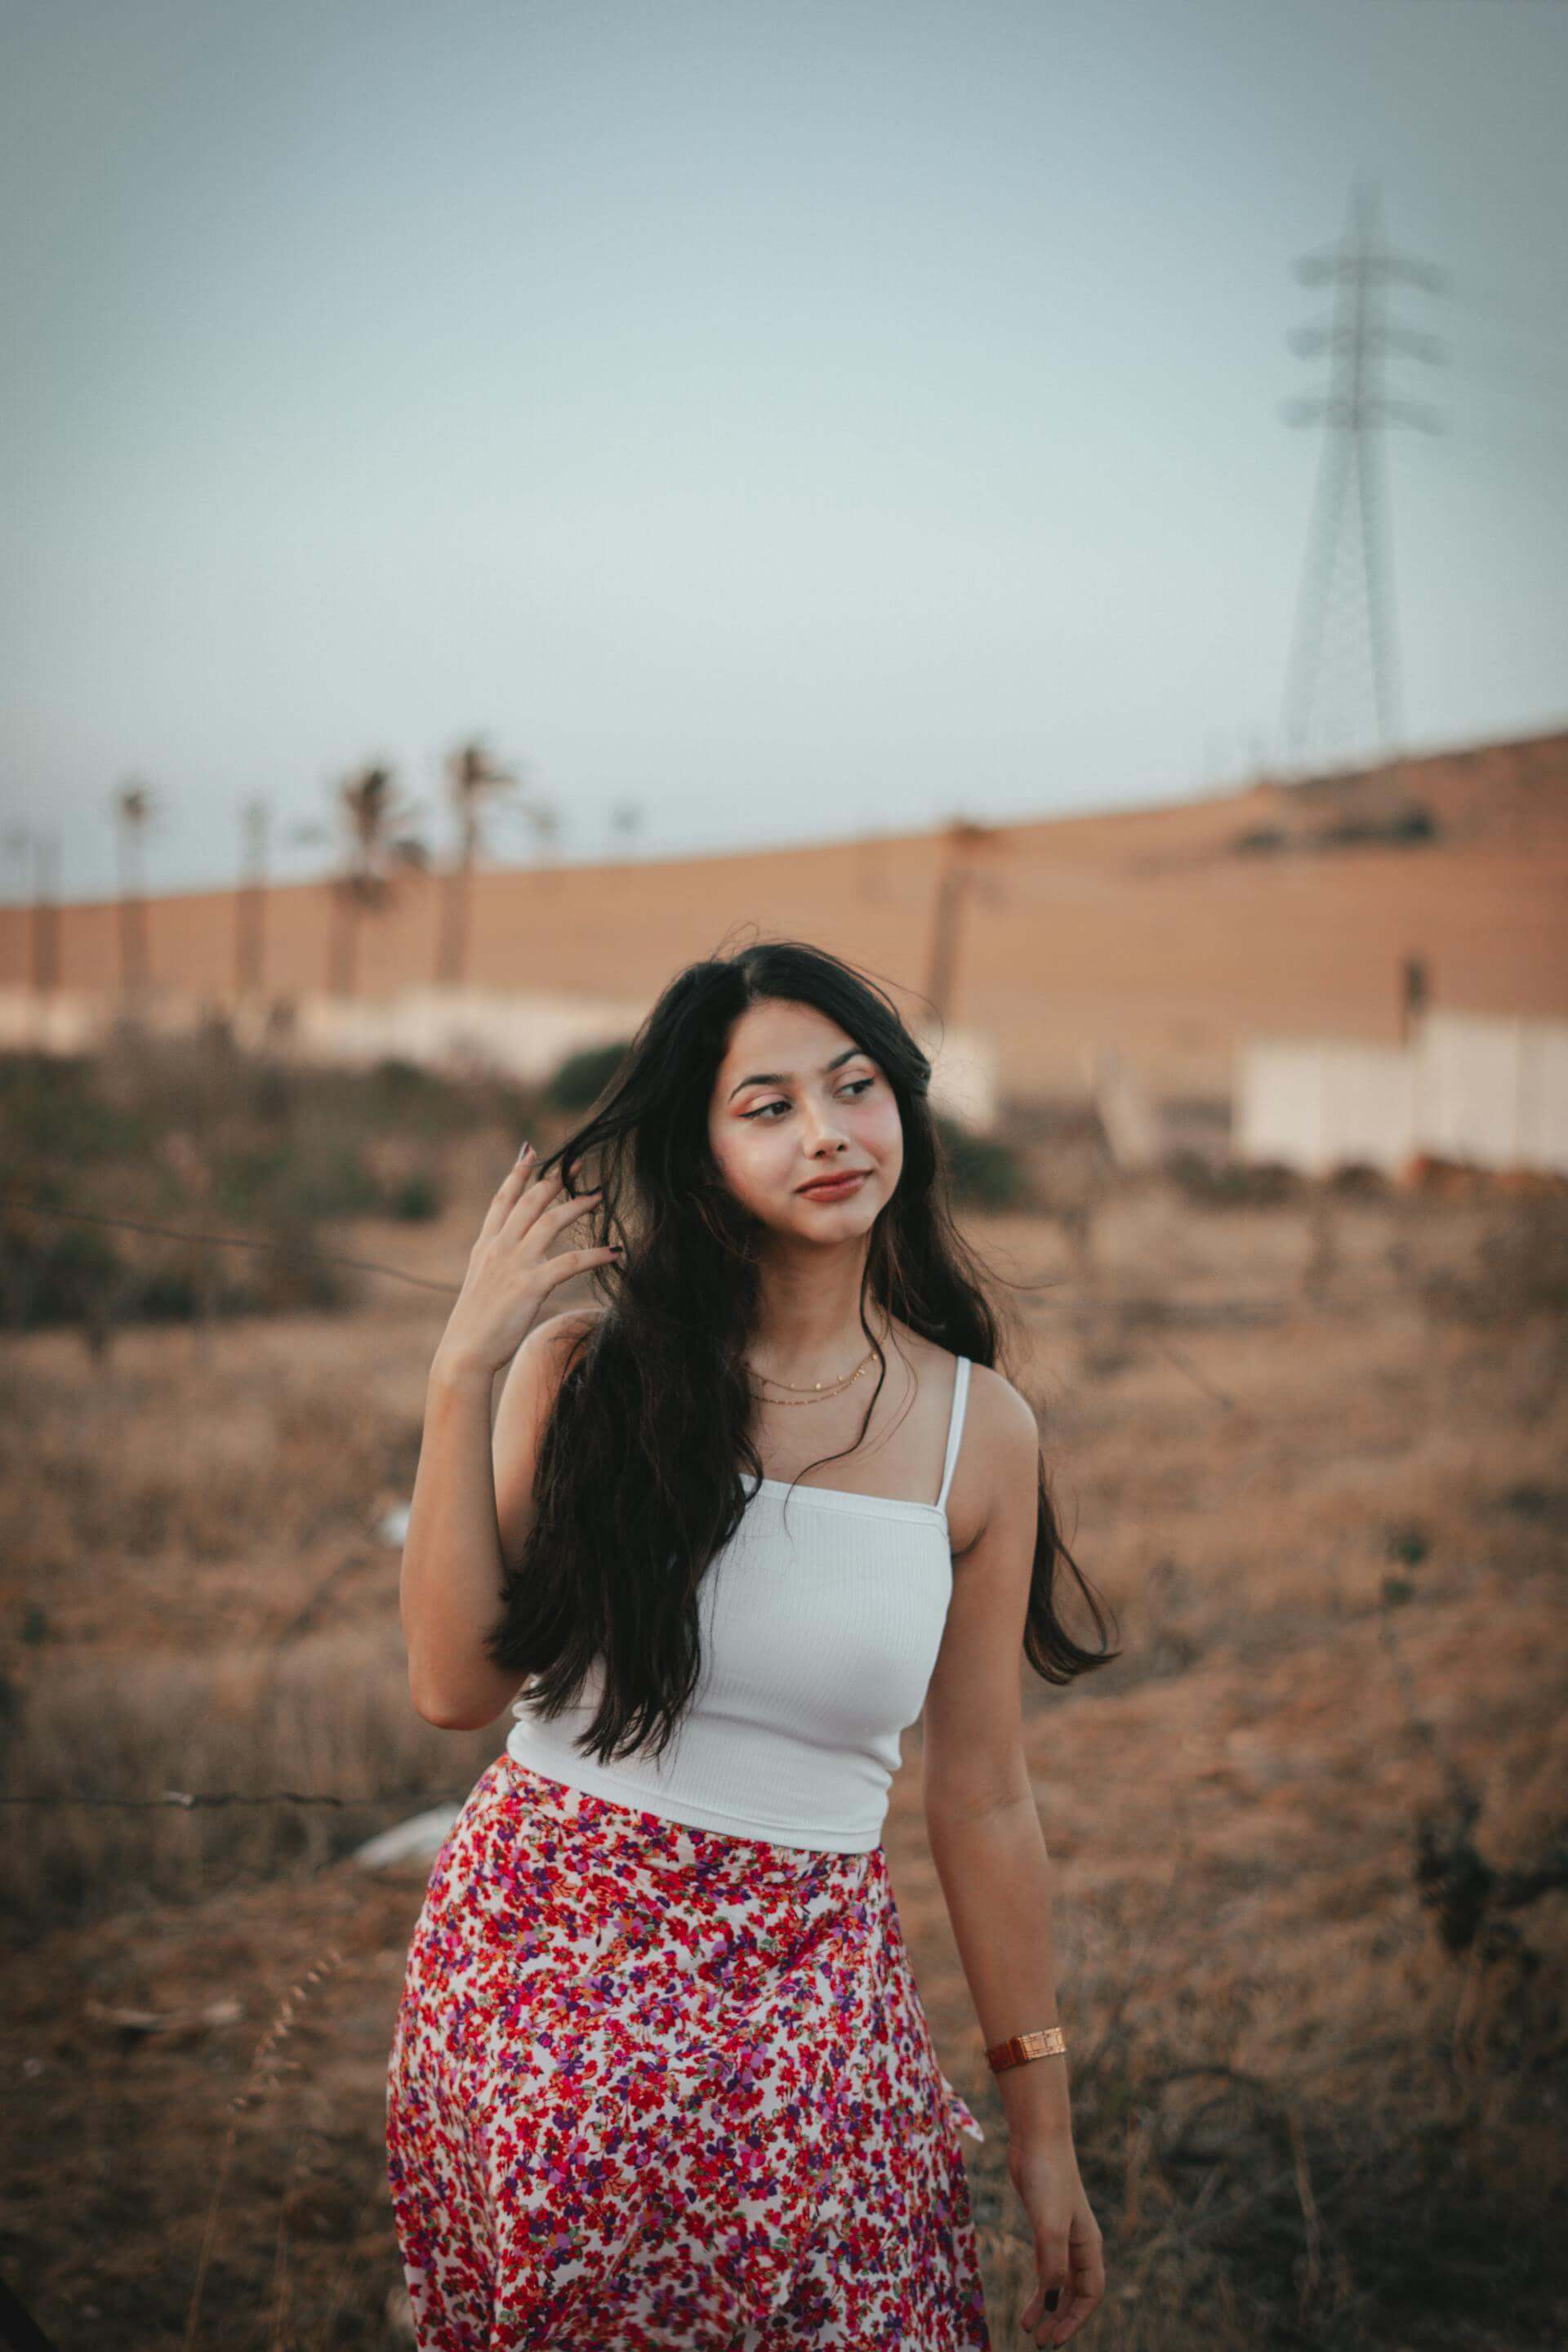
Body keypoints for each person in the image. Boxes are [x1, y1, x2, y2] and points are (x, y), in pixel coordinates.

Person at [387, 937, 1115, 2350]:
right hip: (549, 1972)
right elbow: (452, 1687)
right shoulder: (587, 1372)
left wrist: (1043, 2126)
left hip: (821, 1992)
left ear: (905, 1105)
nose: (828, 1134)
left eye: (854, 1088)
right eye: (767, 1105)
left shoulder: (981, 1431)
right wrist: (462, 1370)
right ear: (703, 1148)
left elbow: (983, 1794)